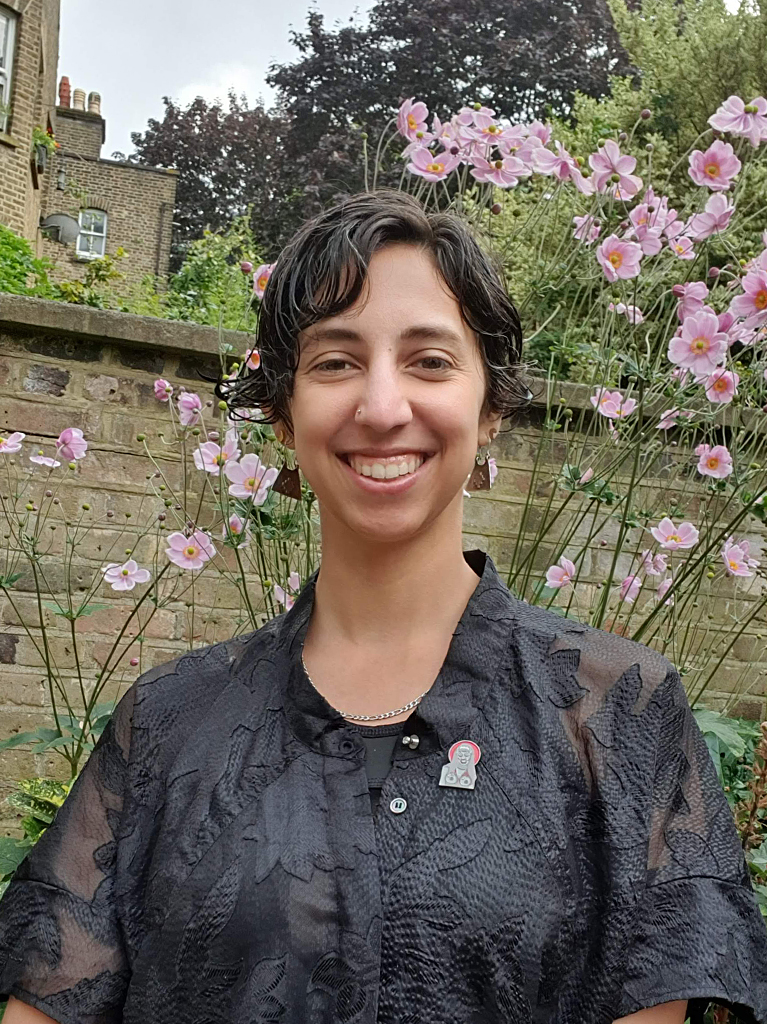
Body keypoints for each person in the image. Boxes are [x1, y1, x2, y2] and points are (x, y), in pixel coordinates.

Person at [0, 189, 765, 1024]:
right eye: (334, 361)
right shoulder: (168, 723)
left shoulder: (618, 710)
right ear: (285, 415)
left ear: (493, 407)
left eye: (430, 361)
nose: (382, 406)